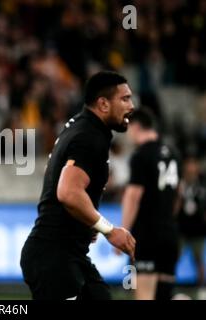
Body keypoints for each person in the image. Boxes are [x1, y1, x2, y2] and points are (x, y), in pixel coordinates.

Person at [20, 71, 136, 300]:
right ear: (103, 104)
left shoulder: (81, 127)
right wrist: (109, 230)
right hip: (54, 256)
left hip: (68, 254)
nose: (131, 106)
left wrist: (86, 221)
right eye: (124, 99)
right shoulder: (89, 136)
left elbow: (58, 179)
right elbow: (68, 192)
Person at [121, 107, 181, 300]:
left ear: (137, 126)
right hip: (170, 234)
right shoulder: (172, 153)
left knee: (145, 295)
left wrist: (124, 230)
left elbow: (133, 196)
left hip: (147, 236)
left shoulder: (141, 156)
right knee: (164, 295)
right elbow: (177, 194)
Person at [176, 156, 206, 299]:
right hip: (181, 228)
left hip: (198, 229)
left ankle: (202, 288)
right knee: (174, 257)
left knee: (198, 259)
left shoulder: (202, 185)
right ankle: (169, 286)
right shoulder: (179, 184)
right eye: (189, 165)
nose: (191, 168)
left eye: (194, 165)